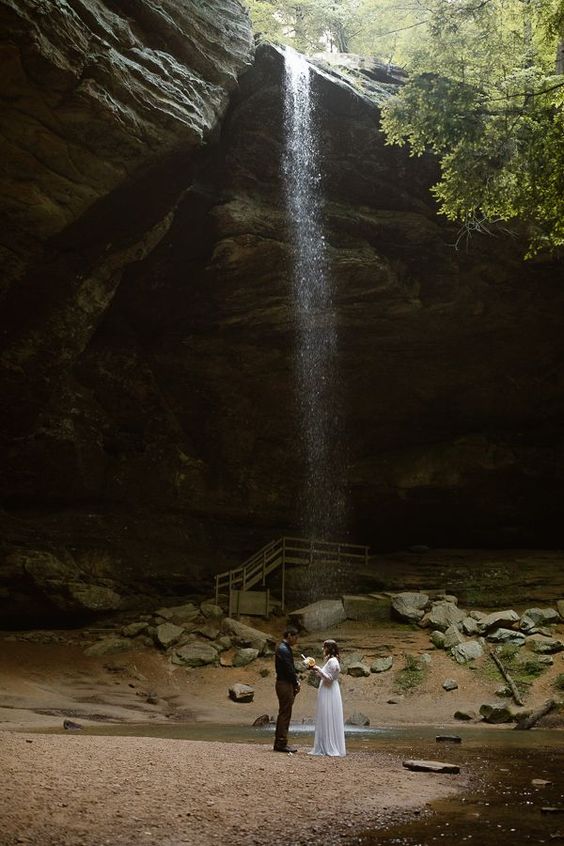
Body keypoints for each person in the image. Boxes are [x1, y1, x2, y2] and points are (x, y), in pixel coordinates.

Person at [309, 639, 346, 757]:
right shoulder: (331, 660)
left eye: (324, 647)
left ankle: (328, 746)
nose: (322, 649)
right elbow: (325, 676)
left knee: (327, 713)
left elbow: (330, 678)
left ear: (328, 649)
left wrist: (318, 669)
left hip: (329, 690)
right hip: (327, 689)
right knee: (325, 714)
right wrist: (316, 670)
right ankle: (324, 744)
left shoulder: (332, 661)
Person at [273, 626, 301, 753]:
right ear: (289, 635)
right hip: (284, 683)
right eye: (295, 637)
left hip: (284, 682)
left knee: (285, 712)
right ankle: (281, 742)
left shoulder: (283, 648)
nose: (296, 640)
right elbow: (289, 669)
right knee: (285, 713)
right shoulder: (284, 649)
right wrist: (296, 682)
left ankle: (280, 741)